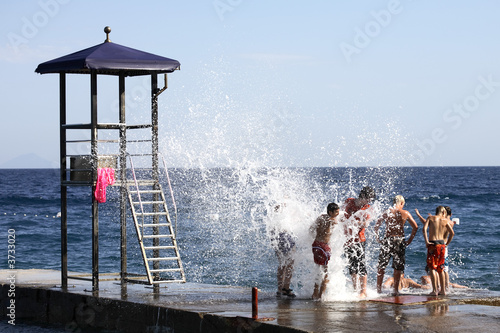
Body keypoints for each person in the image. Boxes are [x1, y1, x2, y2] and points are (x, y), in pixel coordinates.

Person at [374, 195, 418, 295]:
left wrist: (378, 238)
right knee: (398, 267)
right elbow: (415, 227)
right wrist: (409, 240)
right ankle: (395, 291)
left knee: (381, 266)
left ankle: (379, 290)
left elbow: (376, 226)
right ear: (402, 203)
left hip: (387, 240)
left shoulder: (387, 212)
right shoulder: (405, 213)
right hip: (399, 240)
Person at [342, 186, 376, 298]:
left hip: (359, 240)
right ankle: (355, 289)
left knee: (361, 265)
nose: (369, 201)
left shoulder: (366, 207)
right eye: (369, 199)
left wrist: (356, 224)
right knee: (352, 266)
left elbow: (366, 223)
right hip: (347, 240)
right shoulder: (349, 201)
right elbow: (341, 214)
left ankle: (363, 291)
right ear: (363, 196)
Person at [416, 206, 458, 291]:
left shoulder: (430, 218)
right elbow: (452, 233)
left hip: (433, 244)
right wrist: (447, 244)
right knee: (441, 268)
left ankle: (435, 290)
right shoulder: (446, 220)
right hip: (442, 245)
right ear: (443, 213)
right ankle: (443, 291)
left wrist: (426, 241)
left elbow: (424, 229)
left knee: (432, 268)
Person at [310, 202, 340, 300]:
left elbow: (311, 229)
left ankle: (314, 294)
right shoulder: (333, 220)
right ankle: (321, 296)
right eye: (336, 212)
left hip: (315, 245)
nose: (338, 214)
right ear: (330, 212)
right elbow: (337, 223)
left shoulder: (320, 218)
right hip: (324, 247)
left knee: (319, 270)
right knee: (327, 272)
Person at [270, 201, 297, 297]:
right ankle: (284, 288)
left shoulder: (282, 208)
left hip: (278, 235)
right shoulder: (282, 205)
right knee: (288, 262)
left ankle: (282, 288)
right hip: (283, 235)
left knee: (284, 263)